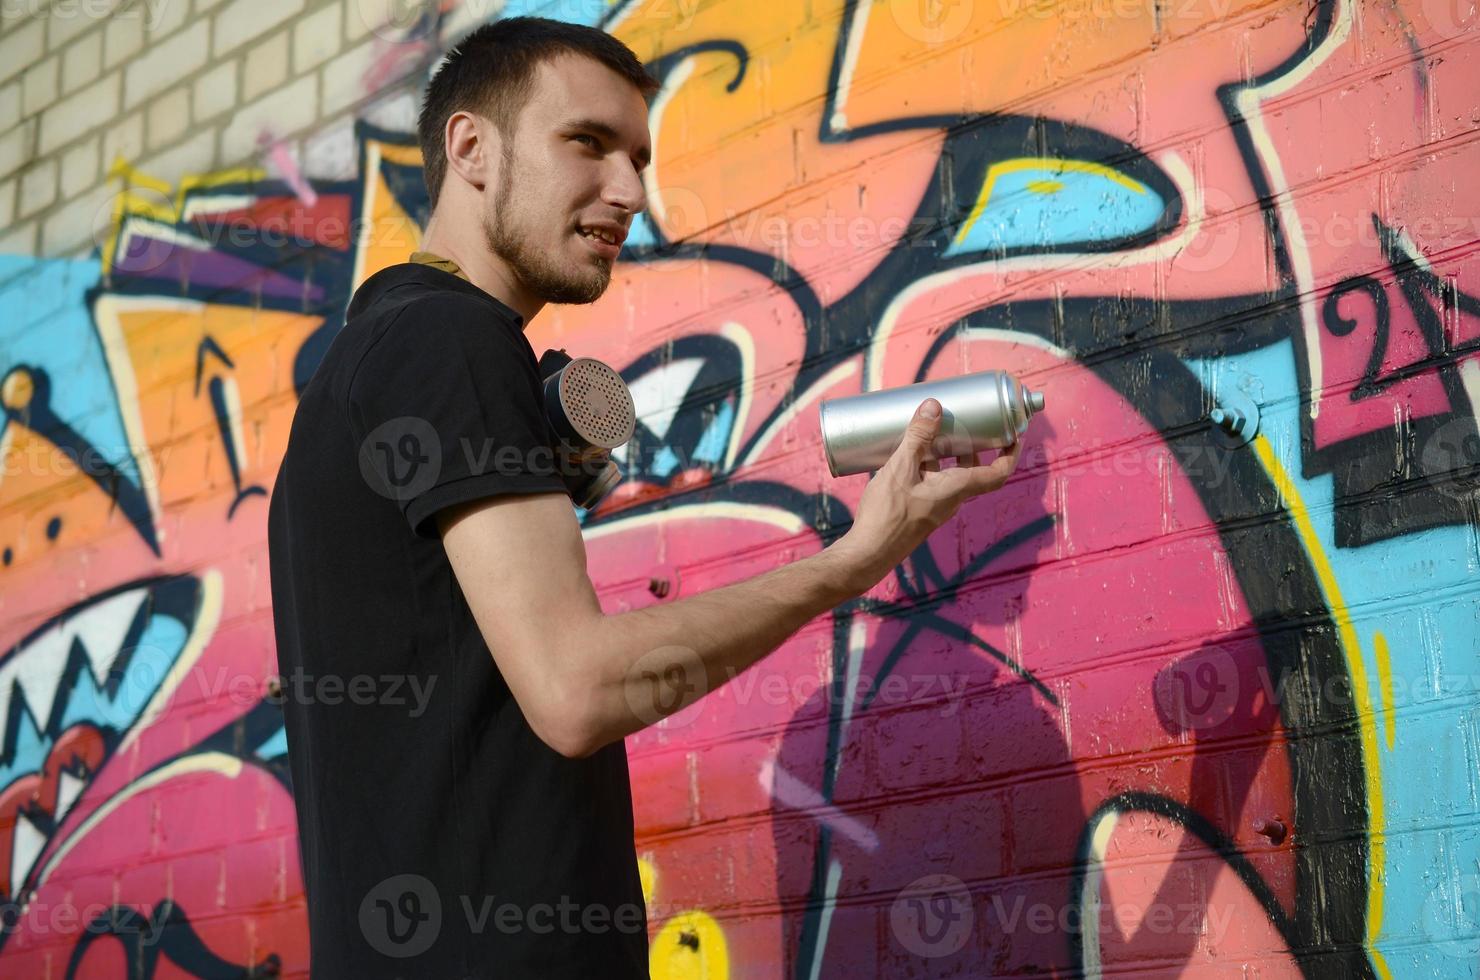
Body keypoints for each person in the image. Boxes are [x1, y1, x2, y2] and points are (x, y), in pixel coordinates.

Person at [266, 15, 1023, 979]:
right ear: (471, 149)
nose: (628, 191)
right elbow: (577, 690)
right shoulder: (448, 342)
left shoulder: (371, 356)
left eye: (638, 157)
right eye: (585, 142)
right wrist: (852, 562)